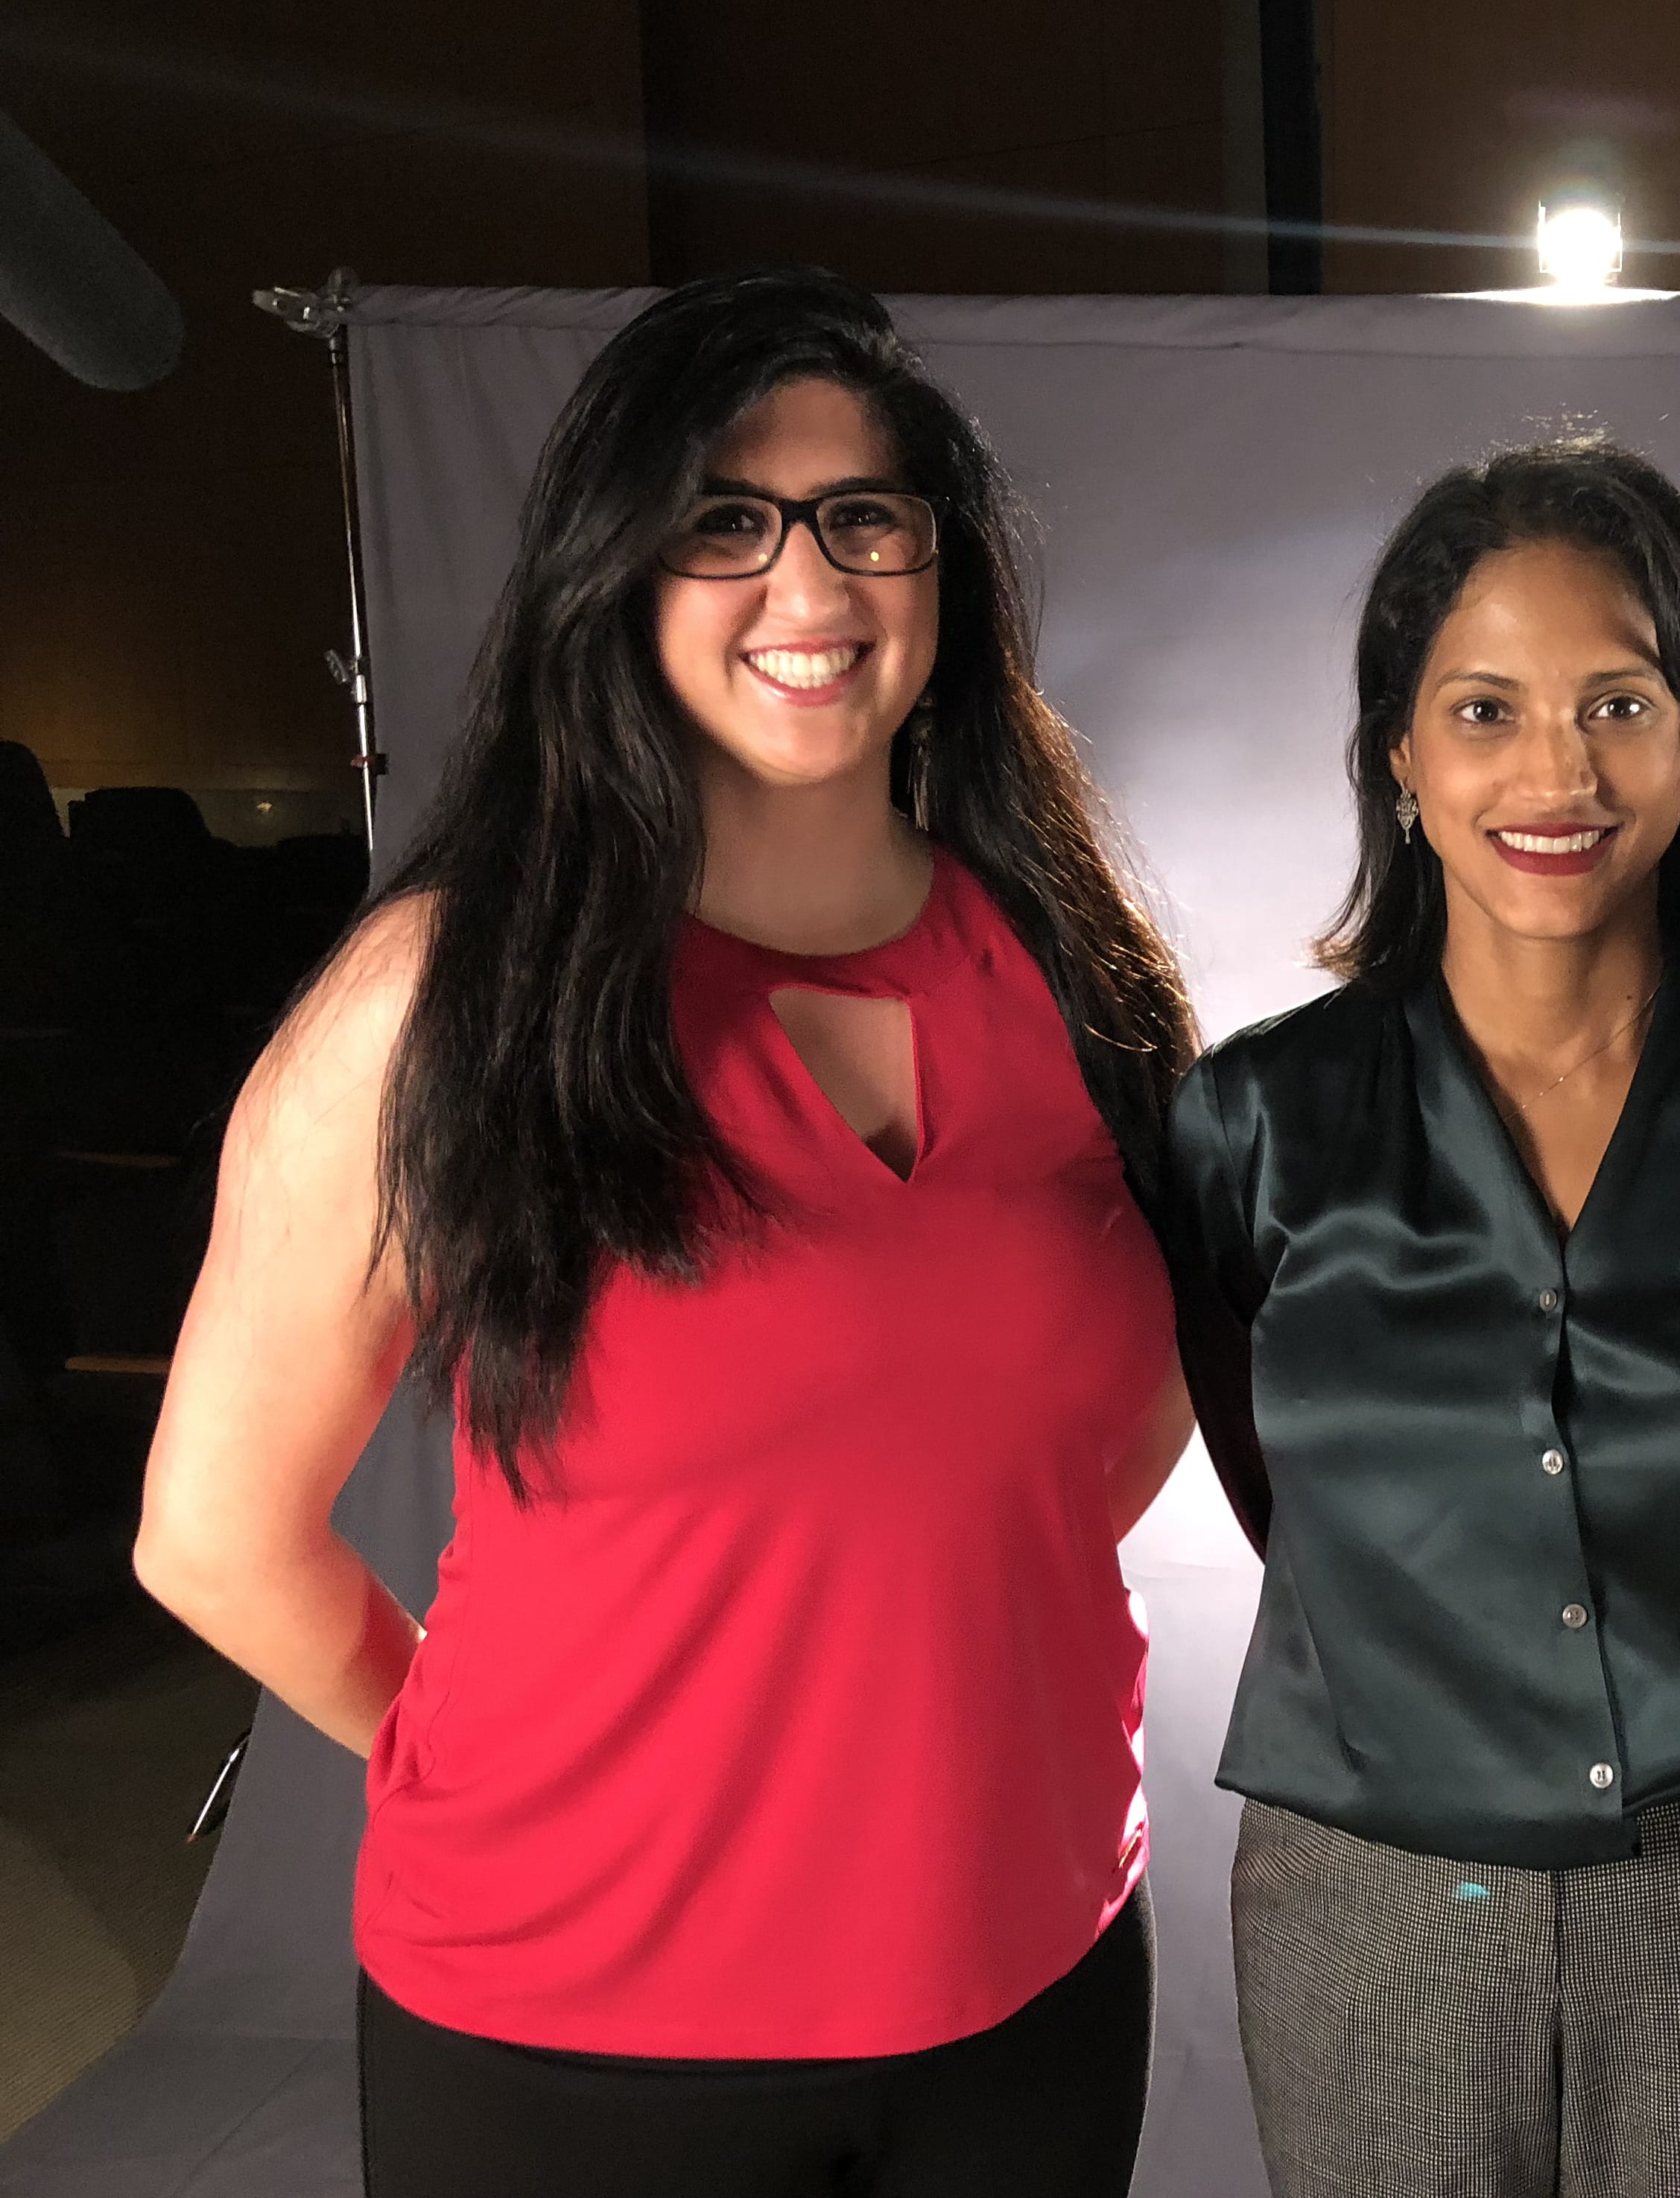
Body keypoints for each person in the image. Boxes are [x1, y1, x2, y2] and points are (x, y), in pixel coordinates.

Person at [133, 267, 1196, 2198]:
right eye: (727, 522)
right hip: (582, 2036)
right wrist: (500, 1773)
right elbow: (211, 1531)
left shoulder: (1066, 967)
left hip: (1030, 1989)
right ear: (612, 576)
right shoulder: (448, 998)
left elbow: (1109, 1418)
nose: (811, 585)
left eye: (865, 517)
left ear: (943, 569)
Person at [1160, 435, 1680, 2198]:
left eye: (1618, 704)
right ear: (1397, 749)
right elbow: (1254, 1437)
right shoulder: (1252, 1121)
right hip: (1371, 1881)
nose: (1559, 771)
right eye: (1485, 711)